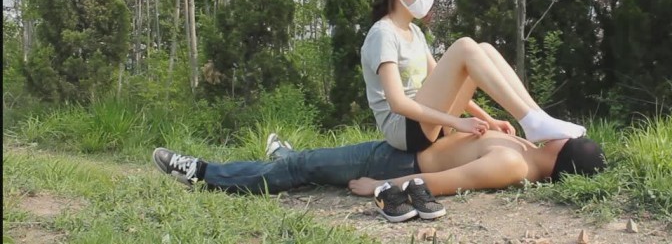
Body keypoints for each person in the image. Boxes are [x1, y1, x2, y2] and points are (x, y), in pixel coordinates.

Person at [361, 0, 586, 153]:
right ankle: (532, 121)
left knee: (484, 49)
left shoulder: (415, 32)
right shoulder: (383, 34)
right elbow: (398, 104)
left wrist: (489, 120)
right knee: (465, 46)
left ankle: (536, 117)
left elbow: (448, 87)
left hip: (428, 122)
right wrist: (457, 122)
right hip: (404, 130)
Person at [152, 130, 605, 221]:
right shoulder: (523, 149)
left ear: (561, 153)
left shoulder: (513, 165)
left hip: (397, 166)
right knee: (310, 164)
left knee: (299, 169)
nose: (558, 132)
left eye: (566, 138)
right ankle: (286, 155)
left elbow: (441, 183)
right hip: (401, 151)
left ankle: (205, 174)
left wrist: (379, 187)